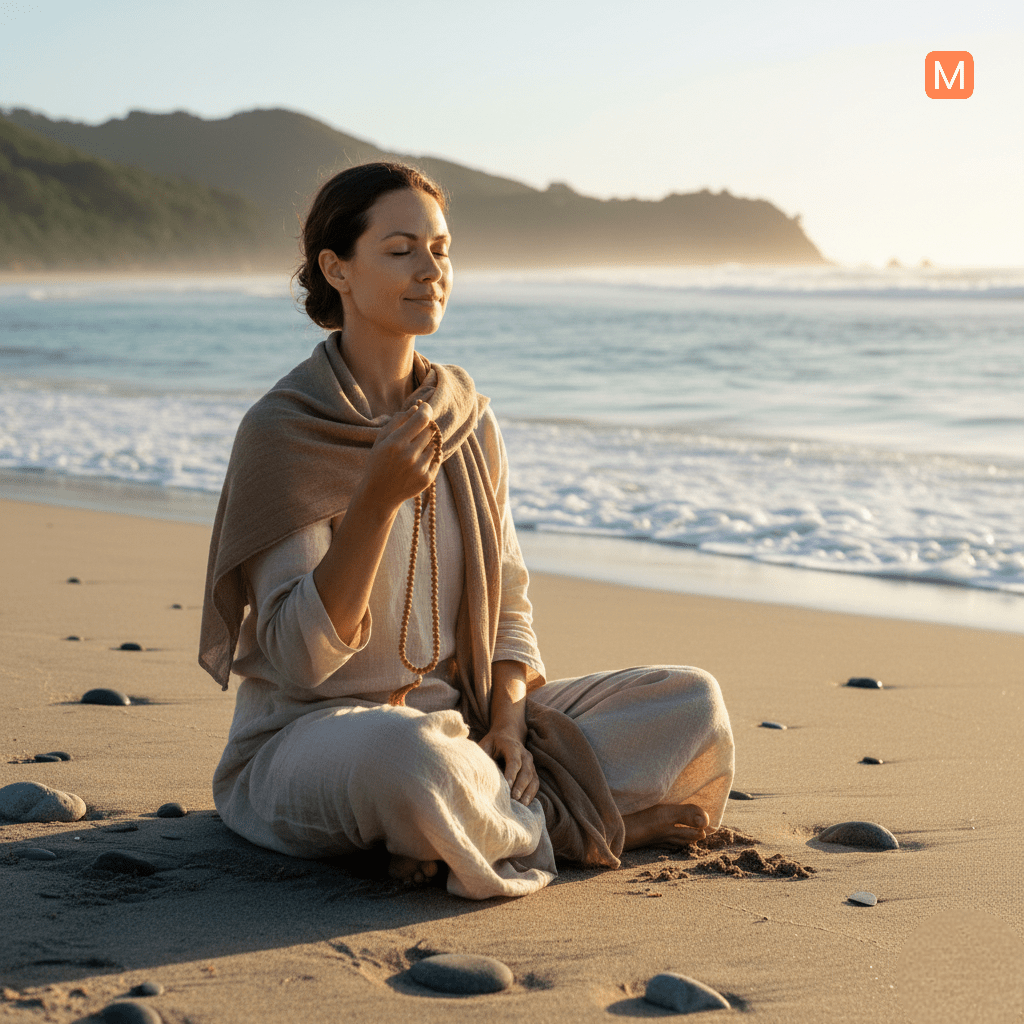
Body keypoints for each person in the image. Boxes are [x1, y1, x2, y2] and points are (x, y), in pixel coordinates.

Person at [199, 162, 734, 900]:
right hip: (315, 741)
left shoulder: (466, 419)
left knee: (690, 702)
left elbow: (511, 602)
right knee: (411, 760)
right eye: (400, 250)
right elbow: (298, 660)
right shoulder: (284, 433)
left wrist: (511, 727)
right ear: (337, 269)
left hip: (468, 723)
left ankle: (465, 818)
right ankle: (576, 827)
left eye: (441, 249)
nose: (430, 270)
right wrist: (375, 503)